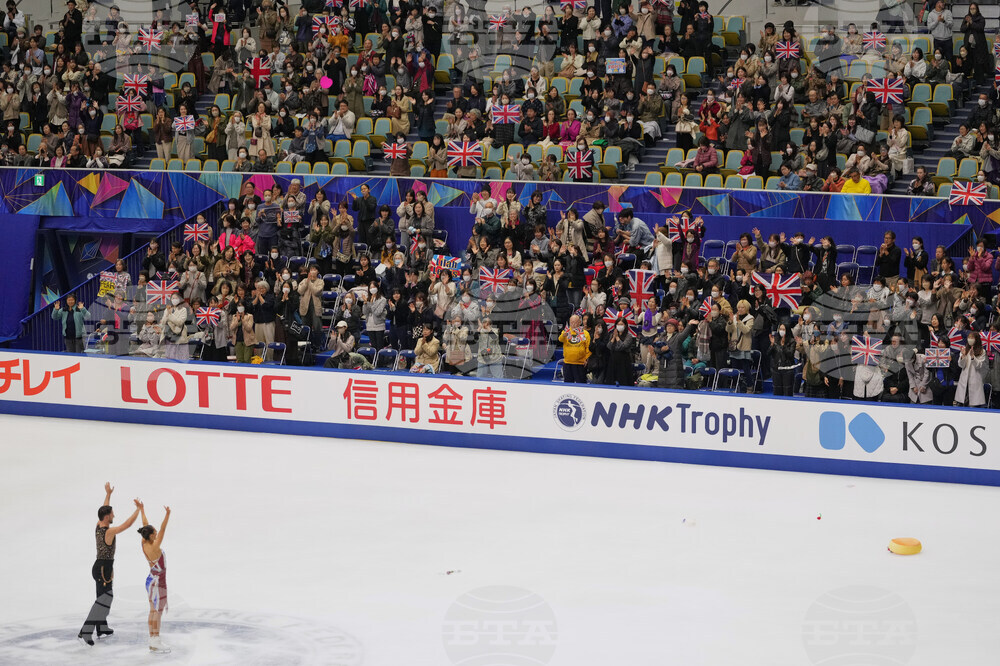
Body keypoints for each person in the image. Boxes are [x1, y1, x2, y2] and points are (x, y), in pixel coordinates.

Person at [78, 483, 141, 646]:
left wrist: (108, 494)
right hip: (103, 568)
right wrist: (138, 510)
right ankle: (86, 631)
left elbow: (104, 507)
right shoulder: (109, 531)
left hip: (101, 566)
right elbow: (127, 525)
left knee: (103, 598)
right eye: (112, 513)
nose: (114, 515)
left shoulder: (99, 525)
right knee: (104, 600)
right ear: (106, 517)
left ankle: (102, 627)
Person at [137, 503, 171, 653]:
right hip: (157, 583)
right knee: (157, 612)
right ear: (151, 535)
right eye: (154, 532)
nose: (157, 532)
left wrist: (142, 510)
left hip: (150, 580)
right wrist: (167, 514)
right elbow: (163, 529)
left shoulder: (144, 542)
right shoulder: (155, 546)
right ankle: (155, 639)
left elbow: (145, 525)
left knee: (152, 610)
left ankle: (153, 639)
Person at [558, 314, 591, 383]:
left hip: (580, 364)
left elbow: (588, 347)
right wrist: (563, 335)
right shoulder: (566, 332)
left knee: (581, 384)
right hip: (567, 363)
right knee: (568, 384)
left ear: (579, 322)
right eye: (571, 322)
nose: (573, 324)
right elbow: (560, 339)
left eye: (575, 322)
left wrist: (586, 359)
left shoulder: (584, 333)